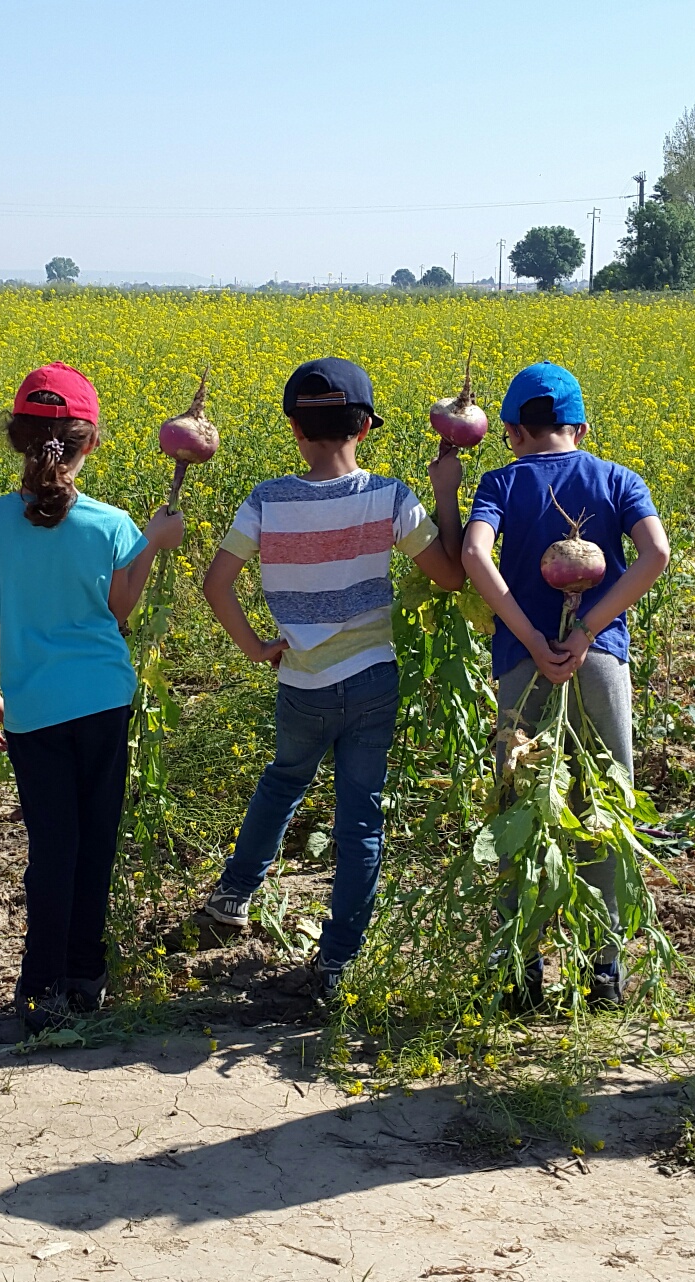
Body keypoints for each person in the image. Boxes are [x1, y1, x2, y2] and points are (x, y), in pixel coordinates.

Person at [197, 358, 466, 999]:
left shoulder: (268, 500)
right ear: (365, 427)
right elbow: (452, 576)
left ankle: (235, 893)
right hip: (372, 679)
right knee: (359, 818)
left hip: (300, 680)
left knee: (284, 779)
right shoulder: (392, 498)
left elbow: (216, 585)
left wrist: (257, 646)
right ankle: (338, 958)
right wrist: (448, 491)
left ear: (294, 428)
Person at [0, 364, 185, 1035]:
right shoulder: (113, 524)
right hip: (100, 702)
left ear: (17, 440)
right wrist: (154, 543)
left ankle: (37, 987)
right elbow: (120, 609)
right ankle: (85, 978)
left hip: (32, 708)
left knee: (50, 846)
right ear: (88, 444)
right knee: (95, 843)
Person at [461, 362, 670, 1006]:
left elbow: (473, 554)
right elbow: (656, 554)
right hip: (599, 659)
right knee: (604, 800)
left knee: (519, 801)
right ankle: (603, 967)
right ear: (579, 426)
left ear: (513, 431)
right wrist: (588, 631)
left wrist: (531, 639)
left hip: (524, 667)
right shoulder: (616, 478)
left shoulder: (501, 480)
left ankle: (518, 967)